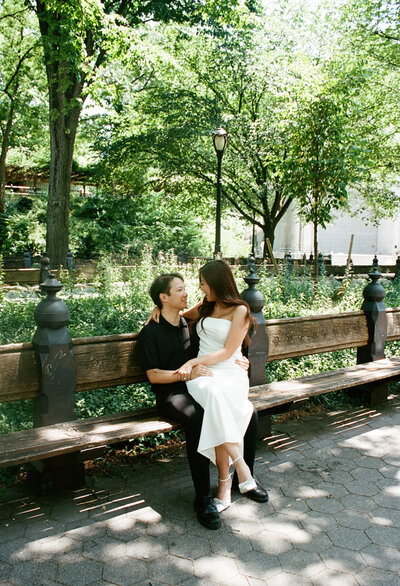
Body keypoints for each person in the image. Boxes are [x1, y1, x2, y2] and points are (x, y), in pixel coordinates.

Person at [138, 270, 268, 530]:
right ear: (165, 297)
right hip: (172, 392)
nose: (190, 292)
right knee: (200, 419)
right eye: (181, 290)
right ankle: (203, 498)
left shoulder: (191, 321)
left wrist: (240, 359)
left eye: (193, 286)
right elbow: (153, 376)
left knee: (248, 412)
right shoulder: (150, 332)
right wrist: (186, 372)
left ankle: (242, 479)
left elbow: (221, 344)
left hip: (201, 383)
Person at [174, 260, 260, 513]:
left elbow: (227, 351)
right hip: (204, 375)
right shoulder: (205, 306)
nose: (201, 288)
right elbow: (177, 314)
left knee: (219, 402)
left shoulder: (240, 310)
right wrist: (156, 310)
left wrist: (193, 360)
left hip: (230, 371)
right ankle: (241, 470)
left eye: (204, 283)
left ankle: (226, 482)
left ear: (216, 283)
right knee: (214, 396)